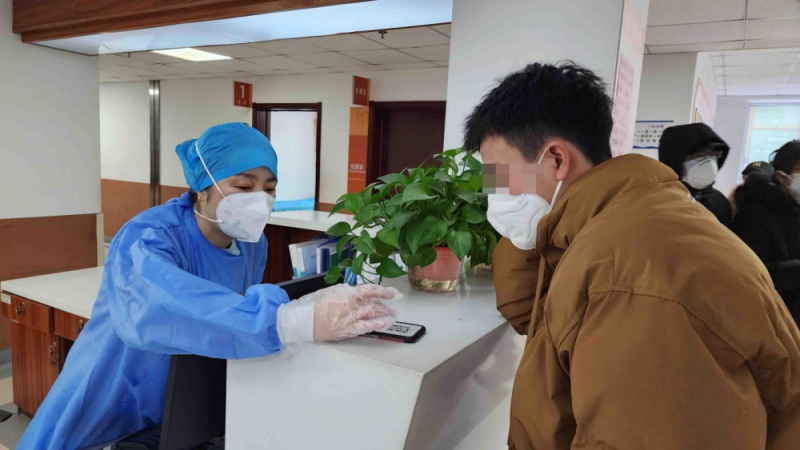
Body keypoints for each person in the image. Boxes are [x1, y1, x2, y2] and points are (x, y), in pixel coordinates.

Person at [466, 62, 800, 450]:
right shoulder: (610, 224)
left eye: (499, 176)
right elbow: (538, 322)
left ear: (556, 159)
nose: (494, 194)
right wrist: (528, 232)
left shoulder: (630, 273)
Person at [20, 123, 397, 450]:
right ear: (202, 188)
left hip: (180, 397)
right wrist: (288, 322)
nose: (260, 200)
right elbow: (157, 306)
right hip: (114, 385)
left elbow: (229, 316)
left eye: (269, 188)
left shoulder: (252, 244)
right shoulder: (150, 235)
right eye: (243, 185)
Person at [732, 141, 800, 323]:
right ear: (782, 177)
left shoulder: (795, 209)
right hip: (772, 319)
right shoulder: (755, 215)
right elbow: (751, 273)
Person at [658, 123, 733, 227]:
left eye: (714, 155)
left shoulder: (720, 202)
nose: (709, 162)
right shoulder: (655, 201)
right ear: (675, 160)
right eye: (700, 155)